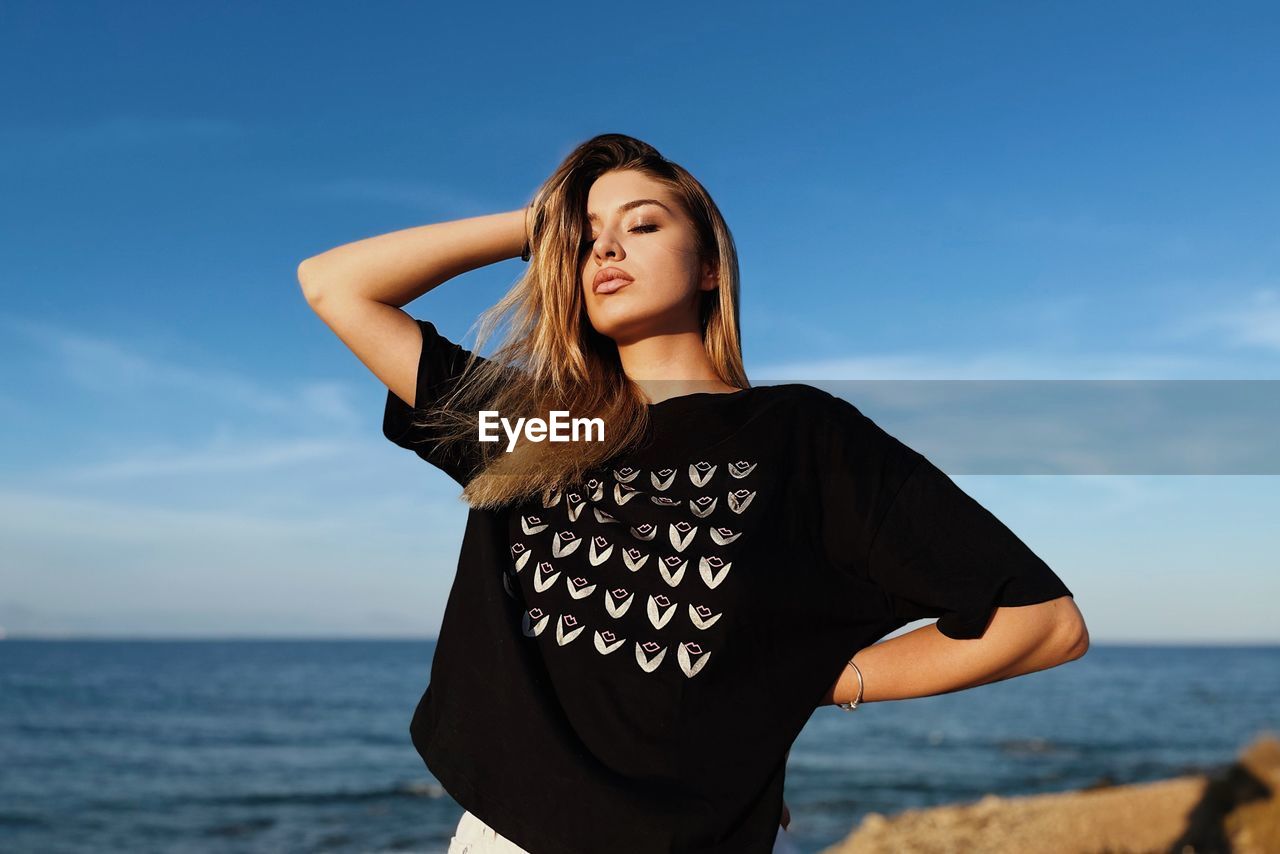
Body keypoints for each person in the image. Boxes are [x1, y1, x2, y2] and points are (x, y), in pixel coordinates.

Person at [298, 134, 1088, 853]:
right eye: (587, 238)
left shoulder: (798, 436)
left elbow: (1043, 624)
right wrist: (542, 221)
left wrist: (823, 682)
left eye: (641, 226)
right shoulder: (540, 428)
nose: (605, 247)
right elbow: (336, 285)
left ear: (710, 264)